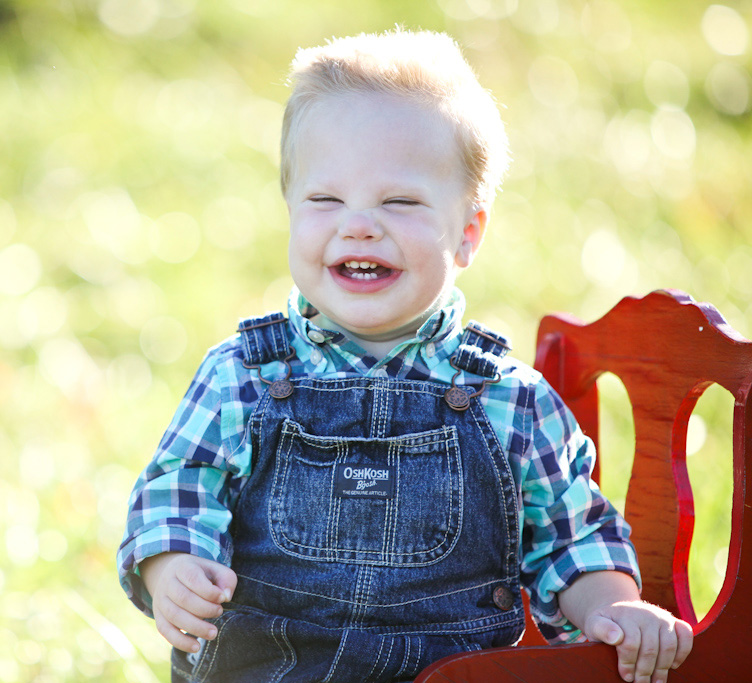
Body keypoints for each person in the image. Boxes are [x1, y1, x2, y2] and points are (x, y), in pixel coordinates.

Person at [117, 28, 693, 683]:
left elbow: (574, 535)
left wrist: (614, 608)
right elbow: (174, 491)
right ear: (290, 210)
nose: (358, 223)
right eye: (325, 199)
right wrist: (173, 568)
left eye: (401, 201)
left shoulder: (510, 399)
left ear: (468, 232)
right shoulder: (244, 377)